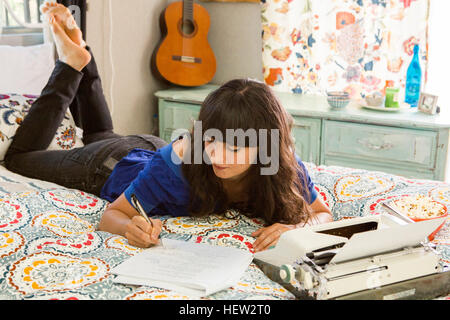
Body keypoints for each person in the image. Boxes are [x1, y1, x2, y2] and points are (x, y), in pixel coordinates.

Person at [5, 3, 332, 252]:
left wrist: (297, 229)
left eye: (234, 146)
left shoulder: (281, 166)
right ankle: (69, 66)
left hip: (148, 149)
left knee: (100, 134)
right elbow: (111, 216)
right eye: (210, 140)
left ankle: (81, 60)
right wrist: (128, 229)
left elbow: (322, 214)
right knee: (19, 158)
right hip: (108, 165)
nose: (216, 154)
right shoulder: (174, 169)